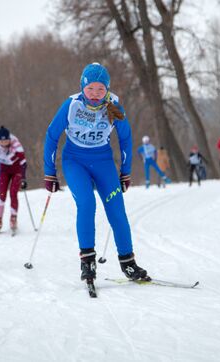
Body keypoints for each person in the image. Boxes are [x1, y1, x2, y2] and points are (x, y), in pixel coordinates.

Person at [43, 62, 149, 283]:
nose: (95, 94)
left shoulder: (114, 105)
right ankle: (87, 262)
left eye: (101, 89)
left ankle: (128, 264)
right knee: (87, 203)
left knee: (117, 210)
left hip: (103, 162)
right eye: (90, 88)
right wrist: (49, 172)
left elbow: (126, 138)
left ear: (107, 89)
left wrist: (125, 172)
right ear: (83, 86)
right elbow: (52, 136)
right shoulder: (71, 105)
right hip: (75, 162)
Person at [0, 126, 27, 233]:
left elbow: (23, 163)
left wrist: (24, 179)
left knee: (13, 193)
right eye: (1, 141)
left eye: (6, 140)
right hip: (5, 171)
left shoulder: (16, 144)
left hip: (17, 171)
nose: (3, 143)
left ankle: (13, 218)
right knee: (2, 195)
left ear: (9, 139)